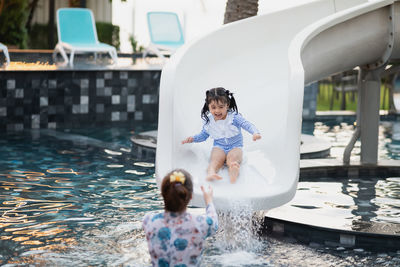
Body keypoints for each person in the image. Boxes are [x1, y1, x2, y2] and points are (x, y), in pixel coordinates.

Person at [182, 87, 261, 183]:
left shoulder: (234, 117)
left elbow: (247, 124)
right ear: (209, 107)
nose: (217, 111)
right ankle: (211, 172)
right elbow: (203, 135)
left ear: (227, 105)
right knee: (215, 159)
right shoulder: (209, 122)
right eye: (213, 107)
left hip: (235, 147)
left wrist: (255, 133)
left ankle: (233, 171)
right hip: (219, 147)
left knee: (232, 159)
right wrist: (193, 139)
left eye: (221, 107)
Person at [142, 169, 218, 267]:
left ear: (163, 195)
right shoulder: (202, 224)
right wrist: (209, 200)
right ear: (190, 196)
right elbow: (214, 221)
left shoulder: (148, 220)